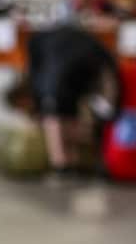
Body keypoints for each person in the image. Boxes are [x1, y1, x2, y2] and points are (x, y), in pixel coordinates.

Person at [7, 25, 121, 175]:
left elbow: (47, 95)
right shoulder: (44, 46)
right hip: (102, 63)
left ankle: (62, 163)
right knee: (103, 112)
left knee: (54, 115)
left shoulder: (43, 78)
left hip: (77, 71)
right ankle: (89, 158)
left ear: (22, 97)